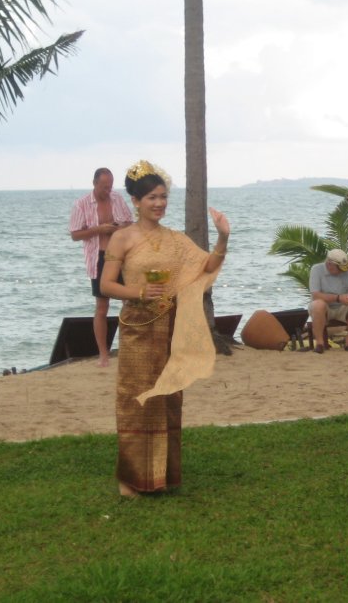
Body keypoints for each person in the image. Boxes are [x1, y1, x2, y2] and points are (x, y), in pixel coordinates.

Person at [100, 160, 230, 497]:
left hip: (171, 327)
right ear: (136, 201)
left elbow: (207, 265)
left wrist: (222, 237)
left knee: (169, 398)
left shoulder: (176, 239)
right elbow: (106, 285)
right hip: (137, 328)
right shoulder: (122, 238)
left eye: (163, 197)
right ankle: (131, 480)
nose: (159, 203)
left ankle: (162, 477)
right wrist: (139, 292)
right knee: (135, 400)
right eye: (151, 198)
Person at [69, 168, 133, 367]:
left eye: (110, 186)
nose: (108, 190)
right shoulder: (81, 204)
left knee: (128, 303)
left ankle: (128, 348)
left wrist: (118, 228)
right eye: (104, 187)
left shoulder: (117, 199)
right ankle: (103, 354)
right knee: (102, 306)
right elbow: (75, 234)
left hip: (119, 256)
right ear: (95, 184)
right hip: (99, 256)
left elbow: (130, 223)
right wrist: (99, 229)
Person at [308, 249, 348, 353]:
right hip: (325, 307)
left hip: (342, 306)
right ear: (329, 264)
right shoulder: (316, 269)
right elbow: (316, 295)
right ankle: (320, 344)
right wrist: (338, 298)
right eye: (339, 268)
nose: (342, 271)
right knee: (318, 305)